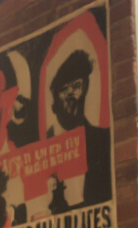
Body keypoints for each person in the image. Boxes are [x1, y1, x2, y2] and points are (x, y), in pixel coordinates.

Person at [45, 48, 111, 208]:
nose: (70, 94)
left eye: (76, 86)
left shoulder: (102, 141)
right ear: (53, 105)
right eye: (63, 89)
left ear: (85, 90)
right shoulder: (42, 149)